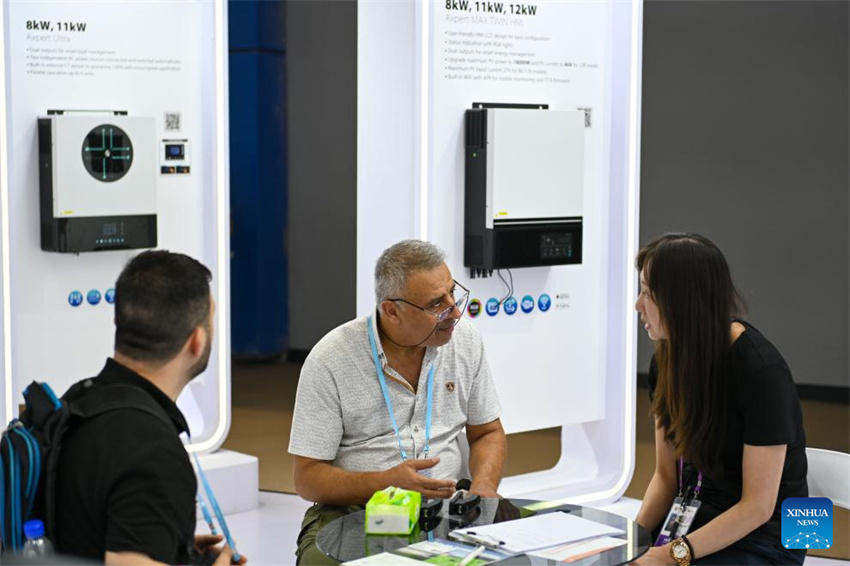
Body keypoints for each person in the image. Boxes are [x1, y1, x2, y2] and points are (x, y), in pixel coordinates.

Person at [289, 239, 506, 565]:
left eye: (453, 293)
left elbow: (487, 432)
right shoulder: (331, 359)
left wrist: (484, 487)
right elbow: (307, 478)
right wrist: (385, 482)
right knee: (321, 562)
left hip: (450, 503)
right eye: (437, 304)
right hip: (358, 508)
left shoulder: (465, 341)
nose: (455, 311)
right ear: (392, 310)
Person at [55, 250, 243, 566]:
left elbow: (84, 529)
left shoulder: (78, 401)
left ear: (118, 323)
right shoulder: (152, 451)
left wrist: (172, 545)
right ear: (197, 342)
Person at [633, 233, 807, 566]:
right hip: (695, 524)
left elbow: (758, 507)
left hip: (769, 540)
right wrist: (631, 544)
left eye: (647, 293)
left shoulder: (761, 372)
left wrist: (670, 556)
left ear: (681, 300)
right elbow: (666, 477)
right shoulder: (666, 361)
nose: (638, 305)